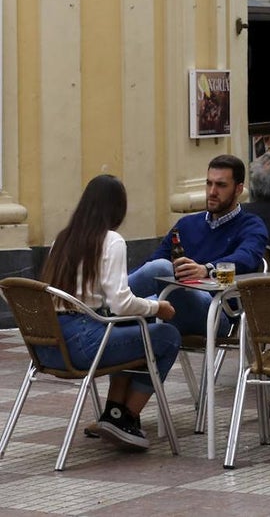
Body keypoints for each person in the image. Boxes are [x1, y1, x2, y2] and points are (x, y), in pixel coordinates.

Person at [38, 175, 181, 450]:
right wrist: (158, 307)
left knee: (131, 330)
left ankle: (113, 413)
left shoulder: (63, 238)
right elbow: (121, 304)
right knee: (166, 336)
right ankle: (128, 417)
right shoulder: (112, 241)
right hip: (83, 345)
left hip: (49, 347)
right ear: (117, 208)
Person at [128, 154, 268, 337]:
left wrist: (207, 269)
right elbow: (152, 263)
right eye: (209, 183)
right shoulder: (187, 224)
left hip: (218, 311)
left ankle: (102, 301)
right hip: (172, 305)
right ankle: (109, 301)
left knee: (161, 269)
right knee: (155, 274)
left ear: (238, 189)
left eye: (221, 185)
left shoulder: (251, 225)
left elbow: (247, 257)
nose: (212, 191)